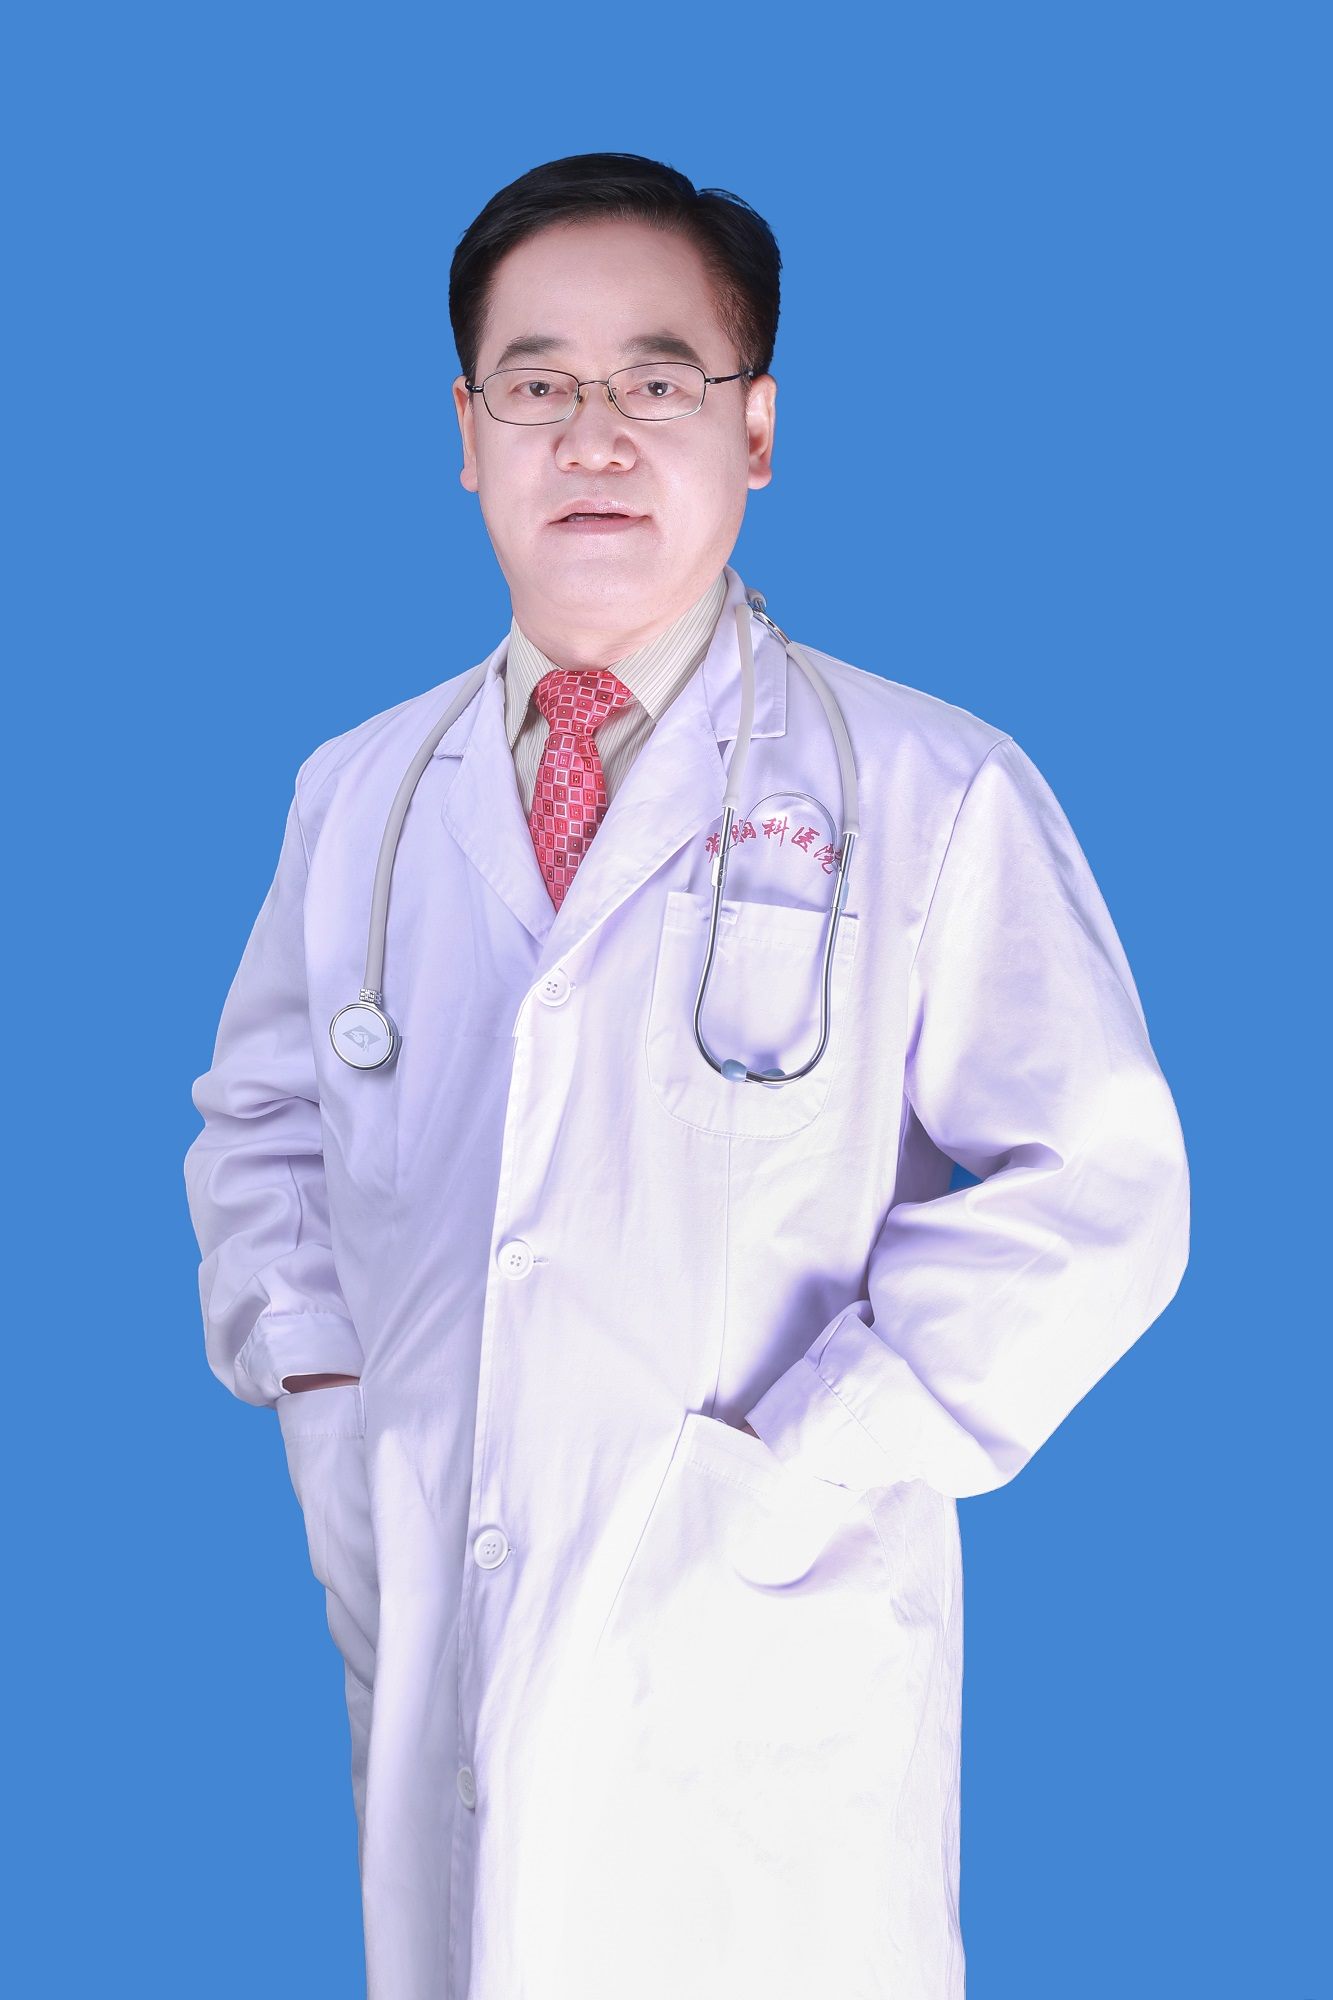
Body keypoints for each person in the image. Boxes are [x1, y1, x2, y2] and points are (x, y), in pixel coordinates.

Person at [183, 151, 1190, 2000]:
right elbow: (260, 1126)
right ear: (466, 435)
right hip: (441, 1621)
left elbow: (1101, 1191)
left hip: (768, 1666)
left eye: (656, 380)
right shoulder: (359, 798)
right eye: (536, 385)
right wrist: (327, 1396)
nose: (593, 436)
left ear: (757, 430)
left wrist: (807, 1466)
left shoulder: (927, 785)